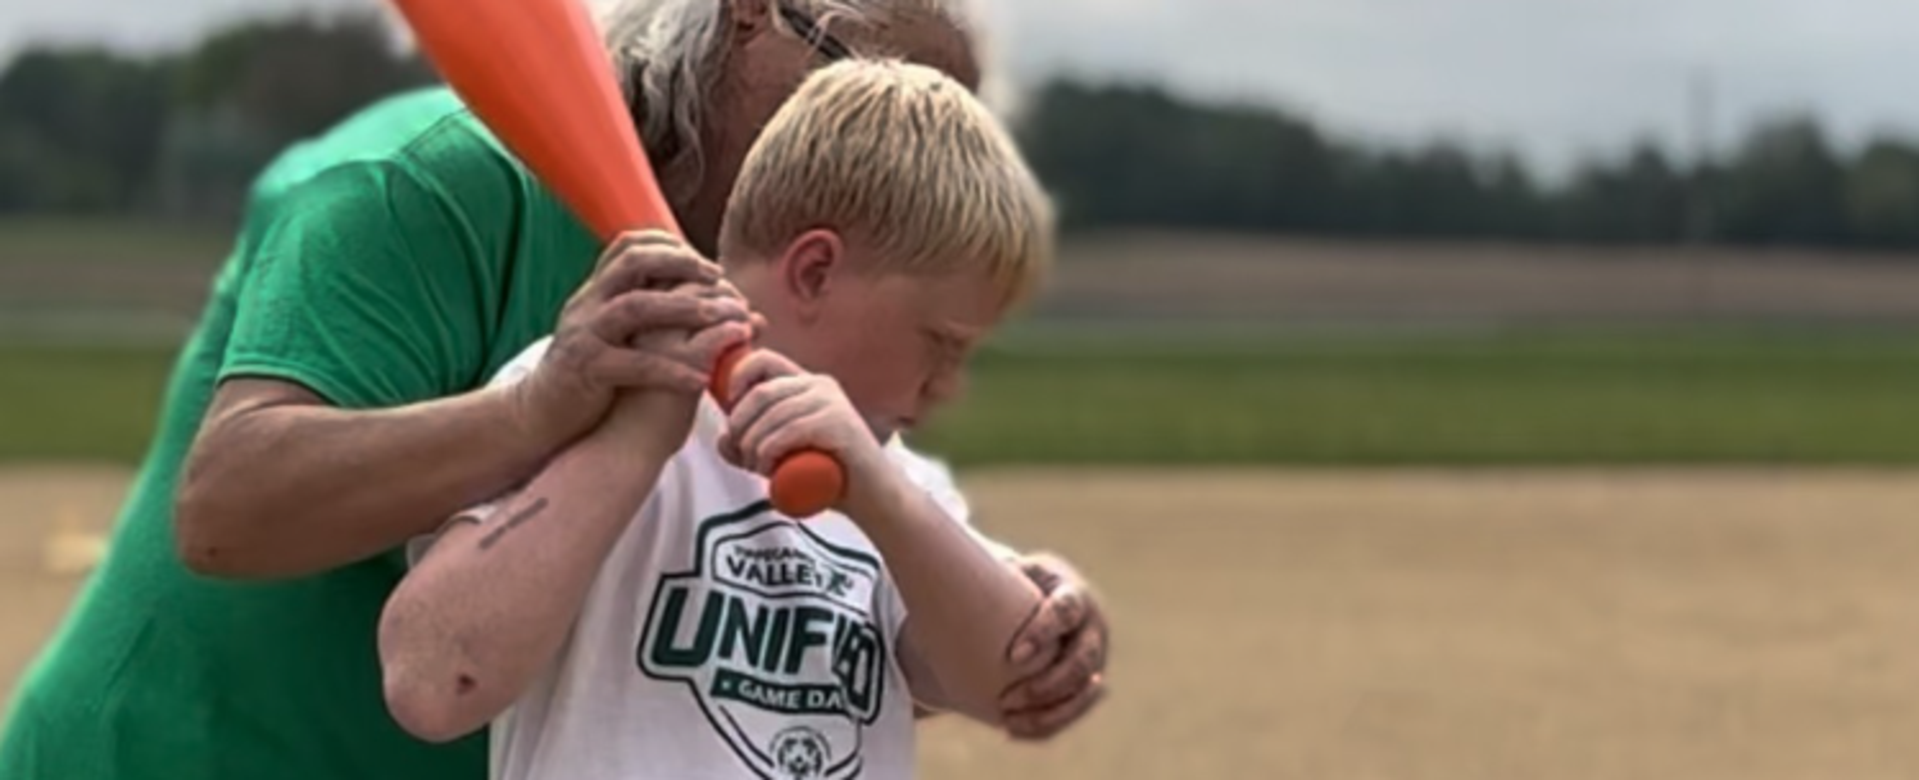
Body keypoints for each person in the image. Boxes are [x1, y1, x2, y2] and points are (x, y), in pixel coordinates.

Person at [0, 2, 1105, 780]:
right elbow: (228, 510)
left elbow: (756, 648)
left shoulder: (796, 344)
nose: (912, 137)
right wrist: (534, 412)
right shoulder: (429, 183)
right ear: (748, 16)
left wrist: (994, 586)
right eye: (878, 76)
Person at [381, 57, 1058, 780]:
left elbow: (1012, 684)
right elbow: (434, 682)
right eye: (940, 344)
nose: (947, 387)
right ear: (815, 273)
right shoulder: (589, 392)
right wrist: (630, 445)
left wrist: (883, 500)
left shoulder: (892, 482)